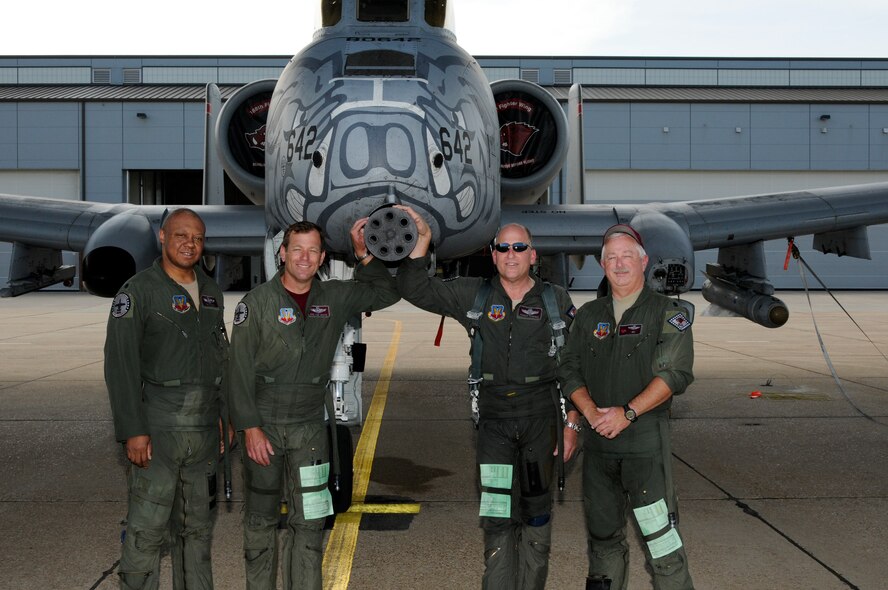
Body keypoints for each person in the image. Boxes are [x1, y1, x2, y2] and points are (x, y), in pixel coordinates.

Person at [396, 205, 580, 590]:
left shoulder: (555, 301)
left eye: (519, 247)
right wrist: (421, 246)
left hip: (540, 418)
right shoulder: (474, 295)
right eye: (503, 248)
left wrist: (572, 424)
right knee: (497, 513)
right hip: (493, 421)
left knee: (536, 510)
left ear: (533, 254)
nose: (510, 254)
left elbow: (576, 366)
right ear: (492, 254)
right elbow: (416, 289)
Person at [227, 219, 399, 590]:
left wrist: (363, 254)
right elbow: (237, 372)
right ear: (283, 253)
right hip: (265, 429)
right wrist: (250, 428)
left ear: (322, 257)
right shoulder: (255, 304)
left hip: (309, 430)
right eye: (297, 249)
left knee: (309, 522)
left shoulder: (334, 297)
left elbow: (387, 292)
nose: (304, 258)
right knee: (260, 521)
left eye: (313, 251)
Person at [557, 224, 695, 590]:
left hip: (644, 449)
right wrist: (586, 413)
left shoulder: (668, 313)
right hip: (599, 450)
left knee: (662, 544)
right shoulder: (588, 316)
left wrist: (627, 412)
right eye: (611, 258)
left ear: (644, 261)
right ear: (602, 265)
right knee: (602, 541)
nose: (619, 264)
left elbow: (674, 374)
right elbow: (569, 369)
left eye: (627, 256)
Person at [105, 208, 229, 590]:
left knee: (196, 533)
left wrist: (227, 417)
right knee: (147, 530)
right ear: (162, 237)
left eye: (197, 238)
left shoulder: (210, 292)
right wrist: (133, 430)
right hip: (158, 429)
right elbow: (120, 365)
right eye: (180, 235)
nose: (189, 244)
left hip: (204, 431)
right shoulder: (137, 292)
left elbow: (220, 356)